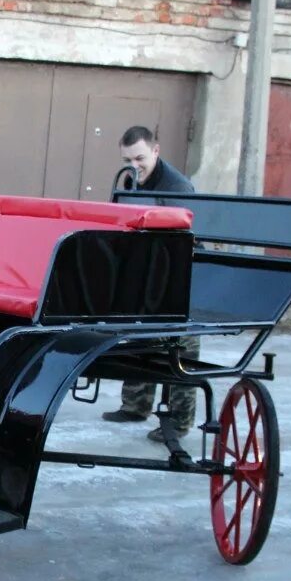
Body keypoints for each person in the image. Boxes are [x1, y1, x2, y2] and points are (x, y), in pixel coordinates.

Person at [102, 125, 200, 443]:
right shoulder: (129, 180)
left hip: (178, 275)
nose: (134, 165)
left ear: (156, 152)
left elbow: (186, 241)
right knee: (139, 337)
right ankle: (135, 406)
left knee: (180, 350)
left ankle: (179, 421)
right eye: (128, 159)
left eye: (140, 158)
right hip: (146, 271)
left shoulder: (178, 188)